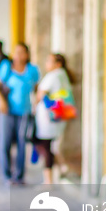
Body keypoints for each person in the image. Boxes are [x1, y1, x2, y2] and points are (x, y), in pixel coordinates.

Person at [0, 42, 40, 185]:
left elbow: (37, 89)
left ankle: (19, 175)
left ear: (27, 55)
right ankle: (6, 175)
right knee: (5, 143)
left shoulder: (32, 70)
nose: (18, 55)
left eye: (22, 52)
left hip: (24, 111)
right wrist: (2, 102)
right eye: (16, 52)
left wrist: (37, 106)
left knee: (21, 143)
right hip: (6, 111)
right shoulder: (7, 66)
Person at [34, 53, 75, 184]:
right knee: (53, 146)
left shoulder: (52, 76)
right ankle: (63, 168)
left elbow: (40, 95)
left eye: (49, 61)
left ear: (58, 64)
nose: (47, 64)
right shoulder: (63, 76)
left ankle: (48, 180)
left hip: (49, 118)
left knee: (46, 146)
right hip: (59, 116)